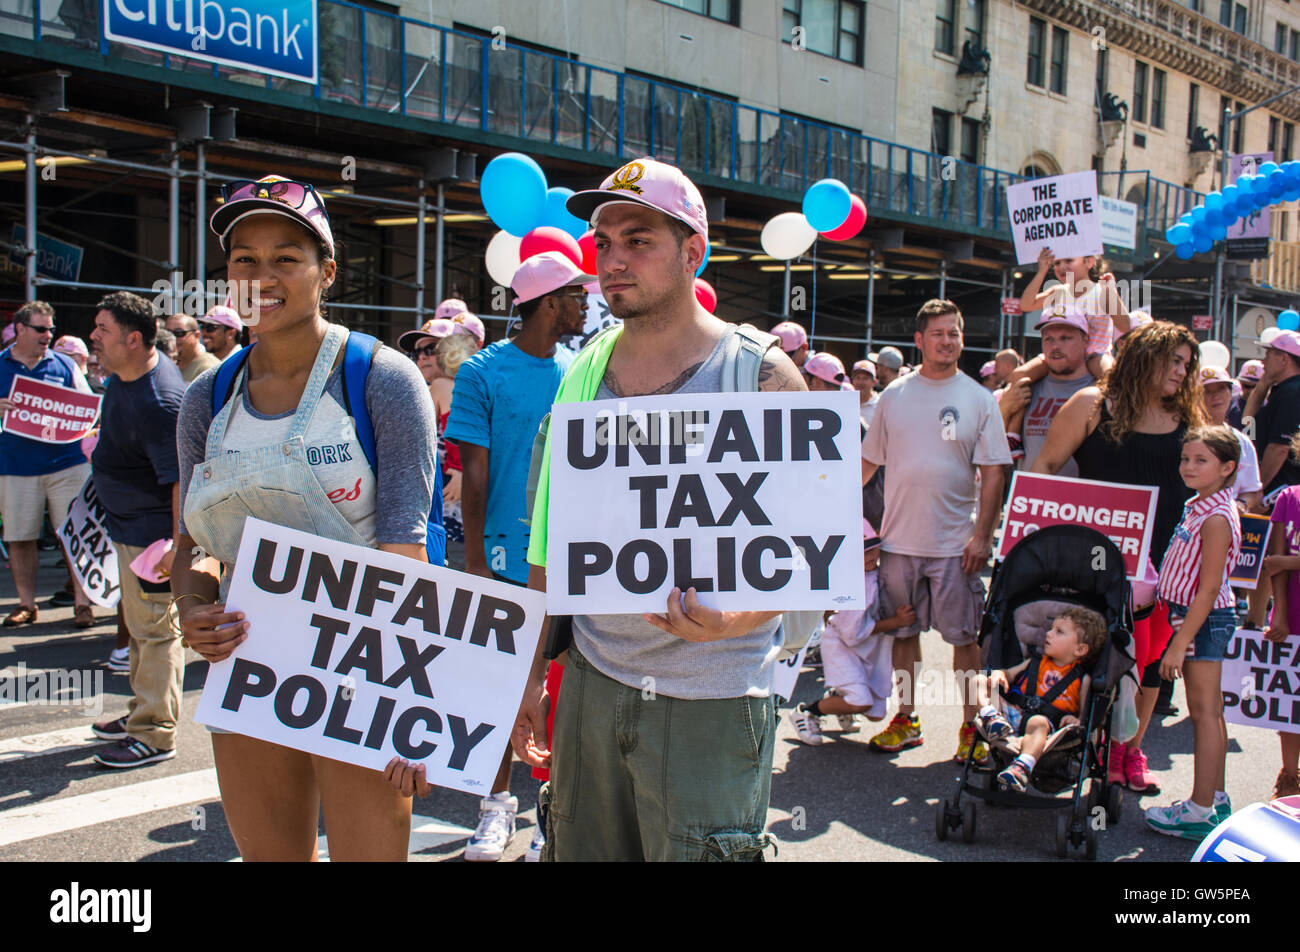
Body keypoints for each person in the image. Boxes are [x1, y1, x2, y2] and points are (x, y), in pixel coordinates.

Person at [505, 157, 806, 862]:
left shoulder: (761, 378)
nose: (612, 260)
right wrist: (527, 674)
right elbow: (550, 539)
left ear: (692, 250)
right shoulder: (581, 372)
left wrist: (734, 620)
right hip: (592, 686)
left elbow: (808, 558)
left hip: (714, 698)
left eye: (638, 239)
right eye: (603, 242)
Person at [170, 174, 438, 859]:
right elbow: (193, 542)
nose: (263, 276)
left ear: (327, 271)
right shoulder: (208, 398)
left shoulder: (379, 378)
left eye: (286, 257)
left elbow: (407, 553)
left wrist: (417, 706)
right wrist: (195, 604)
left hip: (364, 673)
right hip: (250, 664)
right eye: (243, 260)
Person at [423, 250, 588, 862]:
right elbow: (476, 474)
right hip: (500, 559)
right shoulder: (481, 372)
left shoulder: (580, 368)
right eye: (575, 296)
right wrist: (475, 563)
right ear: (548, 303)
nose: (584, 306)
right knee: (492, 691)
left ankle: (550, 811)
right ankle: (494, 808)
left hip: (568, 564)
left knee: (555, 693)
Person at [1031, 321, 1204, 795]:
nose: (1179, 370)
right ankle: (1071, 742)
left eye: (1186, 363)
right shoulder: (1092, 405)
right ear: (1143, 357)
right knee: (1091, 658)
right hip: (1095, 561)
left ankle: (1129, 750)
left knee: (1149, 665)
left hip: (1165, 564)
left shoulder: (1189, 417)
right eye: (1172, 359)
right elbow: (1044, 468)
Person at [860, 299, 1012, 761]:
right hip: (899, 541)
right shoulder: (894, 396)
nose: (948, 341)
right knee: (904, 636)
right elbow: (867, 463)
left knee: (964, 640)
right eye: (939, 333)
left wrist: (982, 535)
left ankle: (972, 727)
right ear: (919, 340)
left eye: (955, 333)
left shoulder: (979, 398)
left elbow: (994, 473)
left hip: (954, 545)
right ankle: (906, 719)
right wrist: (828, 512)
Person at [85, 291, 187, 768]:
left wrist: (176, 546)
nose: (93, 336)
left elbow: (182, 479)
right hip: (130, 529)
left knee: (155, 632)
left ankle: (155, 734)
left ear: (132, 339)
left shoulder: (159, 400)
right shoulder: (123, 377)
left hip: (152, 540)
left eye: (102, 329)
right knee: (141, 628)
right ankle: (140, 715)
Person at [1144, 426, 1242, 840]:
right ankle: (1213, 798)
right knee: (1210, 712)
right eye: (1186, 459)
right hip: (1193, 617)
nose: (1188, 466)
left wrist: (1180, 643)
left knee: (1203, 713)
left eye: (1201, 460)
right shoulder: (1199, 505)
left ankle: (1200, 809)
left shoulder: (1217, 516)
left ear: (1227, 467)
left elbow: (1209, 587)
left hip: (1202, 619)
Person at [0, 301, 96, 629]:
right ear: (20, 330)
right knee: (20, 536)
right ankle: (26, 604)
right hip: (16, 467)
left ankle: (82, 602)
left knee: (74, 534)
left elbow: (88, 409)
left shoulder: (65, 365)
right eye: (41, 329)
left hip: (67, 465)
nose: (48, 335)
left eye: (51, 329)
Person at [789, 520, 916, 745]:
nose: (869, 556)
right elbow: (852, 633)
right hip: (841, 648)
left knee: (876, 712)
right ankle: (808, 711)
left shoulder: (874, 573)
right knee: (861, 702)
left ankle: (839, 701)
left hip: (865, 649)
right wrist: (896, 621)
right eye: (862, 551)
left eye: (873, 549)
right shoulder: (853, 584)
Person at [975, 605, 1106, 791]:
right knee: (978, 680)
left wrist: (1076, 720)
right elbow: (1008, 674)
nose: (1049, 634)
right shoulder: (1035, 661)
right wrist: (1000, 675)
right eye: (1051, 628)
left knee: (1037, 721)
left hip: (1046, 725)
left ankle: (1022, 766)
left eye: (1059, 632)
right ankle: (991, 717)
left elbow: (1084, 716)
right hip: (1010, 714)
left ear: (1080, 649)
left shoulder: (1082, 679)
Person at [1013, 249, 1130, 391]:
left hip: (1094, 355)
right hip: (1058, 355)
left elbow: (1125, 326)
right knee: (1018, 375)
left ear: (1089, 262)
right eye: (1056, 263)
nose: (1062, 267)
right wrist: (1041, 271)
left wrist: (1112, 294)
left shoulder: (1101, 291)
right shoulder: (1058, 292)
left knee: (1115, 380)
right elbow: (1026, 304)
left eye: (1069, 260)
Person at [998, 306, 1095, 474]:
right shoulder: (1026, 387)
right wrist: (1004, 410)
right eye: (1049, 339)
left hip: (1083, 498)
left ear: (1085, 340)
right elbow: (989, 445)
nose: (1055, 346)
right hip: (1032, 497)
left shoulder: (1101, 391)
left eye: (1065, 338)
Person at [1257, 434, 1300, 801]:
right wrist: (1280, 615)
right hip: (1294, 616)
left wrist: (1289, 561)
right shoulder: (1289, 498)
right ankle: (1289, 774)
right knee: (1290, 705)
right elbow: (1274, 565)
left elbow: (1282, 561)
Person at [1240, 329, 1300, 496]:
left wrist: (1259, 489)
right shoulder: (1283, 389)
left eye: (1268, 355)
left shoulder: (1292, 393)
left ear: (1284, 359)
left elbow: (1280, 448)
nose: (1263, 361)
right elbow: (1247, 422)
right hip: (1277, 486)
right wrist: (1263, 383)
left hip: (1281, 488)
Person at [1198, 366, 1262, 511]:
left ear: (1230, 393)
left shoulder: (1243, 442)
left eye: (1221, 388)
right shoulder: (1183, 436)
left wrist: (1241, 504)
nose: (1216, 396)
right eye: (1207, 391)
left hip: (1224, 524)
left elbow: (1252, 491)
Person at [165, 313, 219, 384]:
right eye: (168, 333)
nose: (173, 338)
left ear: (197, 335)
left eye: (179, 333)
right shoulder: (168, 364)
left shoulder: (208, 368)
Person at [1227, 359, 1263, 429]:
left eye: (1255, 387)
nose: (1251, 391)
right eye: (1247, 386)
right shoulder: (1229, 403)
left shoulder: (1270, 405)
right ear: (1240, 383)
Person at [850, 358, 879, 427]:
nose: (860, 382)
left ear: (874, 382)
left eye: (865, 378)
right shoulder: (847, 403)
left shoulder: (880, 405)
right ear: (852, 381)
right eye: (857, 378)